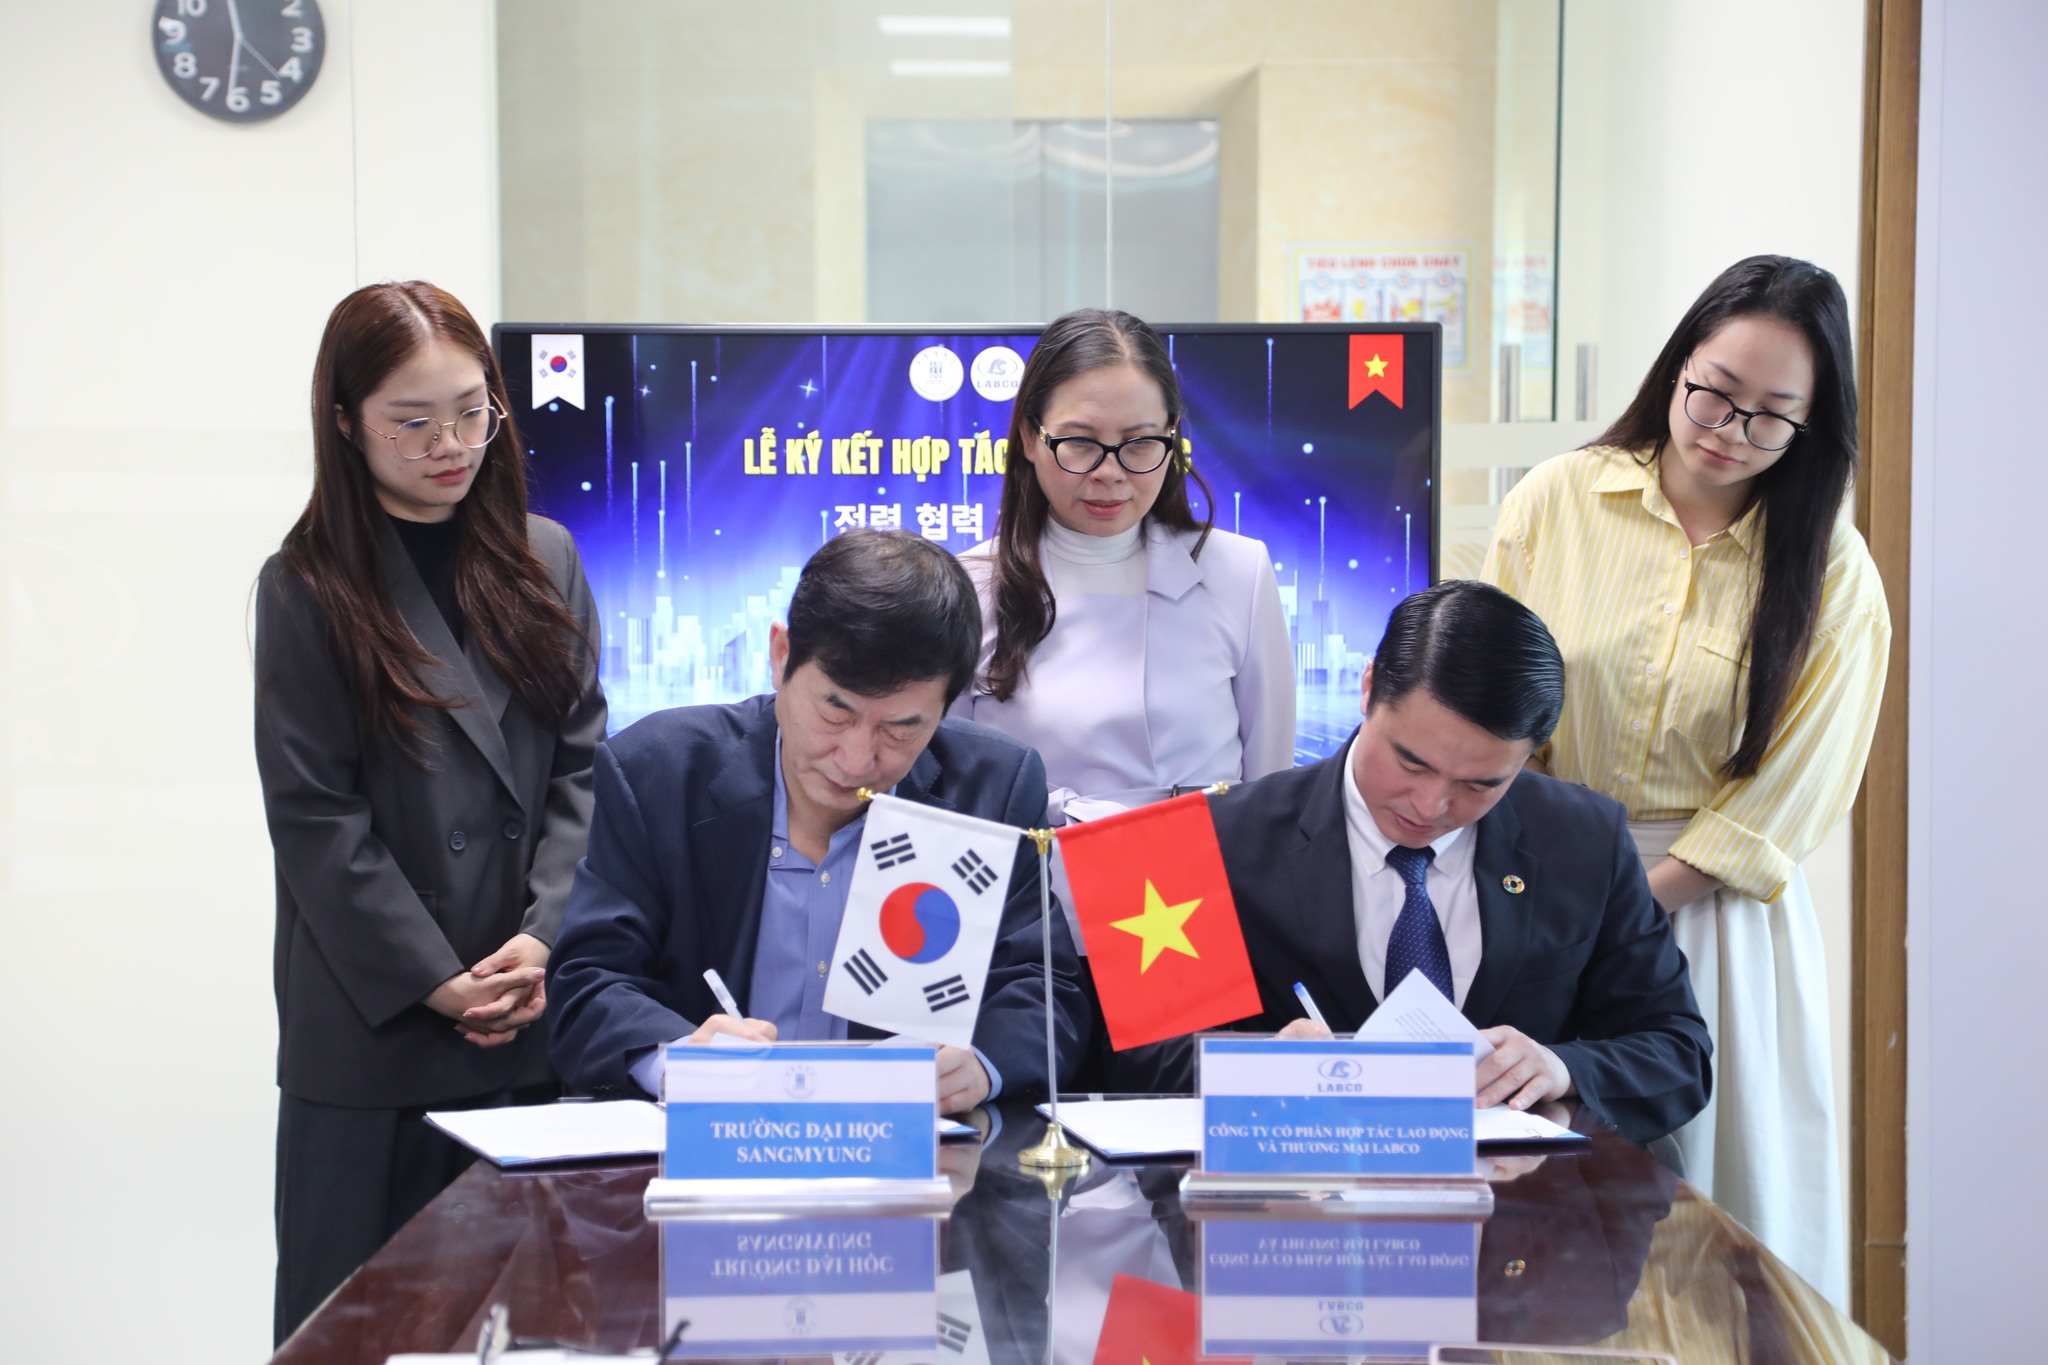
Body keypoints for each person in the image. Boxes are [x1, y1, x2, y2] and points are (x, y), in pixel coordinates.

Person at [1481, 255, 1888, 1304]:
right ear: (1678, 364)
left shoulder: (1833, 572)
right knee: (1539, 1204)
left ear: (1810, 427)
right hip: (1547, 891)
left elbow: (1783, 800)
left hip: (1713, 922)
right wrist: (1553, 895)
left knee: (1717, 1215)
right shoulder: (1557, 499)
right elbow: (1500, 707)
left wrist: (1624, 905)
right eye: (1714, 391)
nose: (1728, 430)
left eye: (1770, 416)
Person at [255, 281, 606, 1343]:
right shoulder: (307, 585)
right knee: (353, 1332)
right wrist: (436, 978)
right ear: (344, 422)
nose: (450, 445)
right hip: (377, 1034)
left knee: (531, 1328)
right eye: (412, 422)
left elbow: (583, 767)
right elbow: (316, 818)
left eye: (470, 411)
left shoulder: (545, 557)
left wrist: (541, 939)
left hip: (524, 1015)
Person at [547, 528, 1089, 1112]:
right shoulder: (660, 771)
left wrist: (980, 1064)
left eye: (900, 728)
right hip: (713, 1136)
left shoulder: (992, 788)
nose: (855, 760)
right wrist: (677, 1059)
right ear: (781, 657)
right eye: (835, 711)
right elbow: (588, 981)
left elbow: (1045, 987)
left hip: (902, 1143)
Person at [1208, 580, 1712, 1148]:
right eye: (1411, 763)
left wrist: (1561, 1068)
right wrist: (1257, 1064)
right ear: (1369, 687)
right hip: (1294, 1185)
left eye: (1479, 784)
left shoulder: (1584, 840)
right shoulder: (1224, 836)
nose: (1430, 807)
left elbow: (1679, 1053)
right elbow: (1144, 1054)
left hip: (1522, 1194)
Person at [953, 308, 1295, 818]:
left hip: (1201, 866)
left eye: (1139, 443)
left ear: (1171, 436)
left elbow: (1272, 795)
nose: (1110, 473)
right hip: (1032, 865)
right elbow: (953, 796)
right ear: (1029, 437)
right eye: (1079, 442)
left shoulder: (1239, 573)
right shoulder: (967, 588)